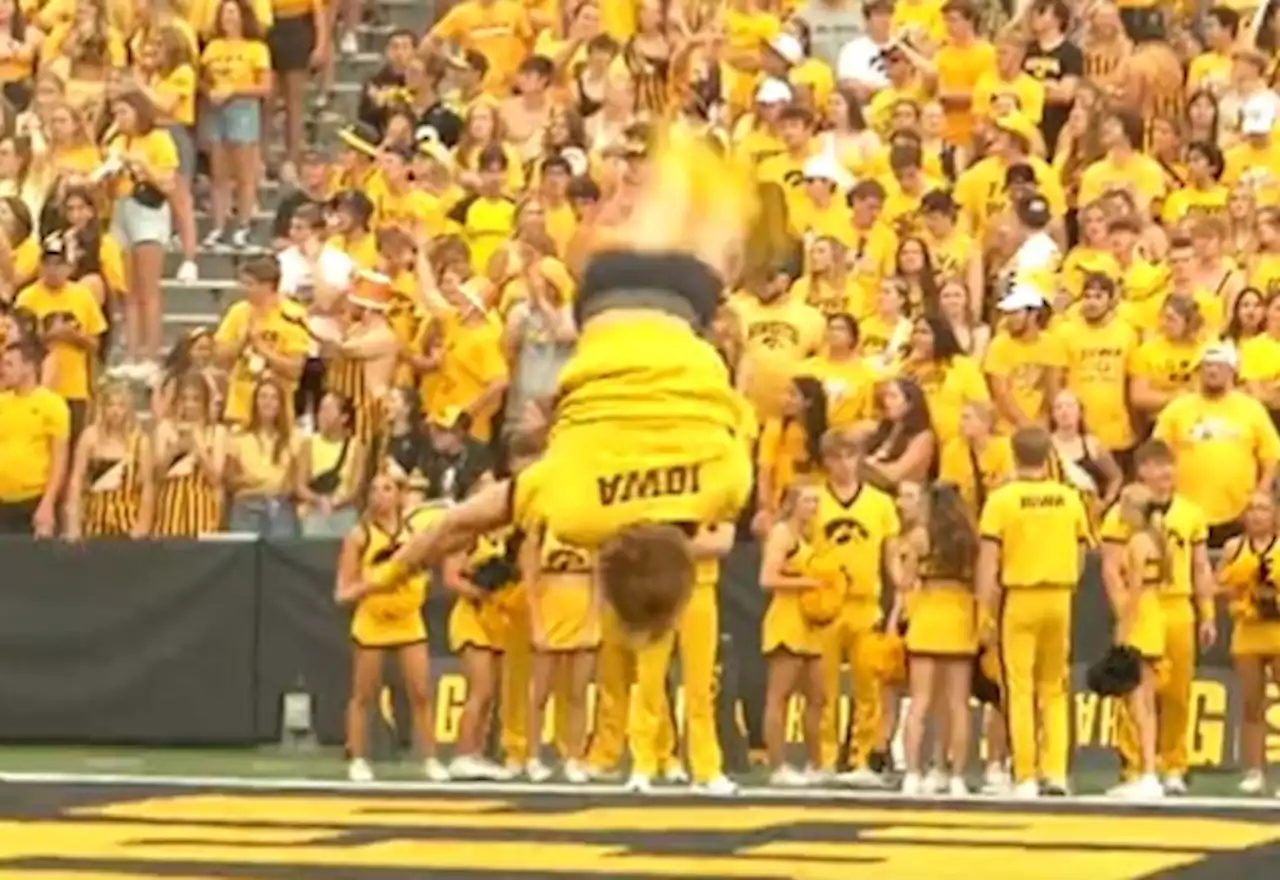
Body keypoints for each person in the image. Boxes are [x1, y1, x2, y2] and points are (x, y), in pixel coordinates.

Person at [351, 130, 760, 641]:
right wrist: (388, 573)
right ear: (608, 566)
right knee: (658, 222)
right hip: (606, 289)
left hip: (685, 299)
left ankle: (671, 162)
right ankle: (644, 179)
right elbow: (454, 525)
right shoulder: (576, 510)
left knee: (719, 233)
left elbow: (741, 413)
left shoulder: (725, 485)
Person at [977, 425, 1092, 799]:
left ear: (1013, 454)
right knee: (1054, 688)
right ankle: (1055, 771)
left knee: (1020, 689)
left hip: (1020, 596)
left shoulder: (1002, 500)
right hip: (1059, 596)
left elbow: (988, 562)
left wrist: (984, 610)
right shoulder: (1068, 498)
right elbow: (1081, 551)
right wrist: (1068, 580)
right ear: (1048, 455)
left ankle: (1025, 774)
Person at [1100, 439, 1215, 797]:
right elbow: (1110, 569)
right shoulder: (1121, 516)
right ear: (1143, 471)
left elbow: (1200, 566)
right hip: (1145, 604)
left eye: (1169, 466)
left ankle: (1173, 765)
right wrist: (1124, 614)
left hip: (1178, 605)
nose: (1166, 474)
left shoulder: (1191, 513)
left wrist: (1207, 613)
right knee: (1134, 689)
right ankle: (1135, 765)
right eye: (1157, 466)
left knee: (1178, 691)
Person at [335, 471, 448, 783]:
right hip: (372, 622)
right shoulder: (359, 536)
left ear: (399, 496)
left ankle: (430, 759)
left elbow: (428, 568)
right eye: (373, 489)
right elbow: (342, 593)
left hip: (408, 620)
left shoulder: (415, 534)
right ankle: (357, 758)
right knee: (363, 695)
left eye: (386, 489)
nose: (379, 496)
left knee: (421, 692)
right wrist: (373, 583)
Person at [811, 427, 903, 785]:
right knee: (825, 689)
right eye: (837, 457)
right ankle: (826, 758)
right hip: (826, 603)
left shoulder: (879, 503)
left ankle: (862, 759)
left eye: (851, 456)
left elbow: (890, 553)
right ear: (827, 461)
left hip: (866, 602)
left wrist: (901, 585)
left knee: (869, 685)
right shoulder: (815, 500)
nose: (845, 465)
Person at [899, 481, 979, 796]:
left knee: (920, 702)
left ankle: (912, 774)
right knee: (958, 704)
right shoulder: (971, 541)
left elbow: (905, 582)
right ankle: (956, 776)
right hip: (960, 618)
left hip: (928, 615)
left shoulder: (920, 537)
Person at [1103, 483, 1169, 801]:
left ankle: (1148, 772)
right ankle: (1146, 770)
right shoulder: (1155, 539)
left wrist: (1123, 629)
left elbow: (1134, 590)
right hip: (1154, 610)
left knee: (1140, 702)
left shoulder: (1138, 543)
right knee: (1143, 700)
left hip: (1142, 615)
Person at [759, 481, 827, 786]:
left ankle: (815, 763)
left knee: (817, 696)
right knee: (780, 696)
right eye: (809, 501)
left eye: (816, 502)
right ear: (793, 503)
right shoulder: (782, 534)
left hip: (810, 622)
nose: (814, 507)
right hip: (786, 618)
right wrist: (809, 583)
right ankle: (777, 766)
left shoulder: (809, 536)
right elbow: (768, 578)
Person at [521, 527, 600, 784]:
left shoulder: (591, 533)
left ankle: (574, 758)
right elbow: (530, 583)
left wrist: (592, 623)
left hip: (582, 617)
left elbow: (599, 582)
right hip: (548, 617)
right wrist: (536, 625)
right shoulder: (540, 535)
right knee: (540, 694)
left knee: (578, 694)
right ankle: (532, 757)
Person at [1216, 490, 1280, 796]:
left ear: (1275, 515)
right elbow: (1218, 585)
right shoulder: (1233, 547)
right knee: (1251, 704)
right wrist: (1241, 593)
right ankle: (1254, 771)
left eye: (1264, 509)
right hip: (1247, 632)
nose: (1257, 515)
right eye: (1252, 509)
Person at [63, 380, 152, 540]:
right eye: (110, 405)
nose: (115, 411)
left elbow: (147, 487)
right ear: (102, 408)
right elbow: (76, 481)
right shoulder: (90, 437)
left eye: (121, 406)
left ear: (129, 410)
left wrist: (142, 526)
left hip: (127, 525)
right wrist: (73, 524)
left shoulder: (140, 442)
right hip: (93, 523)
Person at [0, 339, 68, 536]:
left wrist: (48, 503)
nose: (3, 370)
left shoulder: (52, 405)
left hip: (33, 501)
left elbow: (59, 459)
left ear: (28, 367)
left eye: (9, 364)